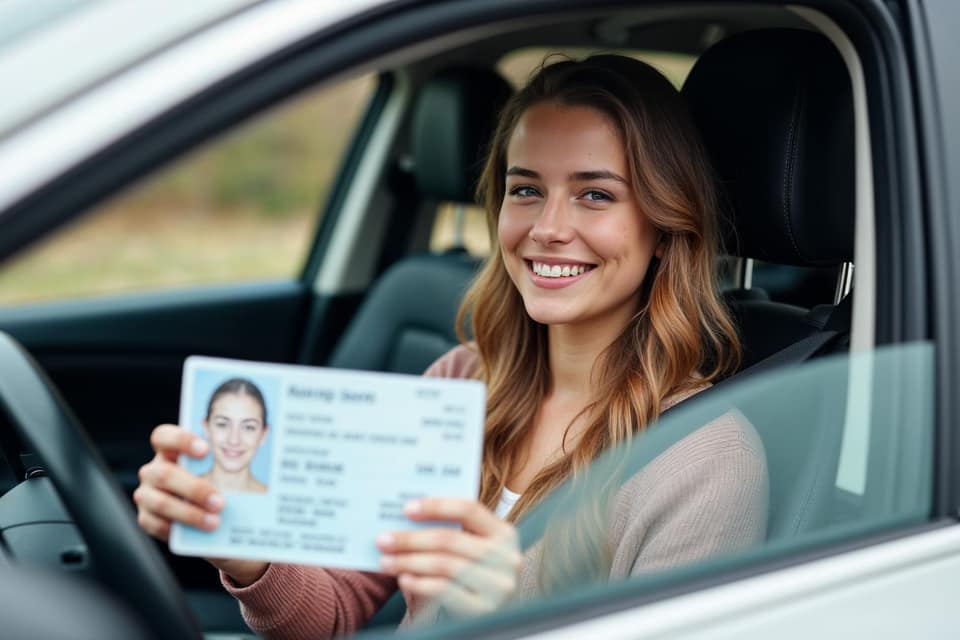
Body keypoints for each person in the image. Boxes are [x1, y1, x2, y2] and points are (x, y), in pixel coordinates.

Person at [134, 55, 768, 638]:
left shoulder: (704, 459)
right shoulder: (457, 385)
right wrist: (245, 551)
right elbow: (334, 610)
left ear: (662, 226)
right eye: (526, 190)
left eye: (594, 194)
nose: (547, 228)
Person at [200, 377, 269, 494]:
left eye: (248, 427)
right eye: (222, 424)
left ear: (264, 435)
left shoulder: (277, 502)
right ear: (206, 428)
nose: (234, 440)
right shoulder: (181, 494)